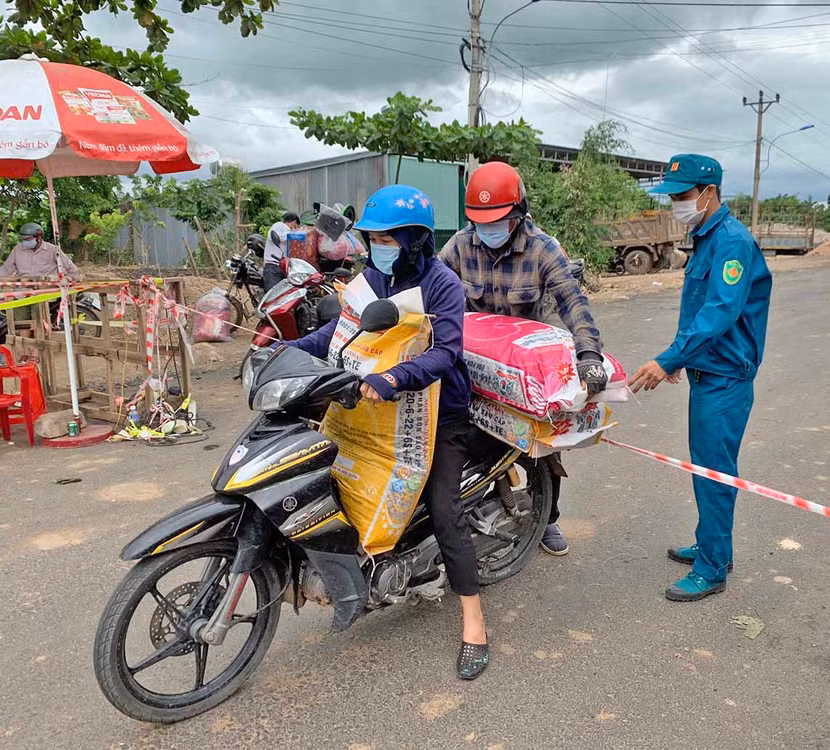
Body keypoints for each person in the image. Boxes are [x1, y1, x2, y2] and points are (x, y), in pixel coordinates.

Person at [285, 185, 490, 680]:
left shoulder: (443, 285)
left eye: (387, 238)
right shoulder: (372, 277)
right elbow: (340, 331)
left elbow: (446, 353)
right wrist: (288, 351)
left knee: (445, 511)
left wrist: (393, 377)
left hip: (438, 413)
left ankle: (474, 625)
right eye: (373, 237)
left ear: (414, 239)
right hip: (376, 407)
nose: (377, 245)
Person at [439, 161, 608, 556]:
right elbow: (431, 286)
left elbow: (573, 303)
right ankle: (477, 504)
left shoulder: (543, 249)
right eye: (481, 222)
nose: (488, 230)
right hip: (475, 364)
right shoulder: (461, 246)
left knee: (544, 444)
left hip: (525, 369)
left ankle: (547, 517)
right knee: (466, 438)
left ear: (518, 213)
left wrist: (588, 355)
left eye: (496, 221)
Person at [628, 154, 772, 602]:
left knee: (714, 472)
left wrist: (669, 360)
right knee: (707, 469)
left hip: (726, 379)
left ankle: (712, 569)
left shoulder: (731, 242)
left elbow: (717, 315)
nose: (676, 203)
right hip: (709, 371)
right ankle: (713, 545)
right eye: (672, 195)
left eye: (682, 195)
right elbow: (697, 310)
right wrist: (684, 359)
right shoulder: (705, 237)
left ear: (709, 193)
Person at [0, 222, 81, 282]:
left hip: (46, 291)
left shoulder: (52, 250)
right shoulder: (17, 250)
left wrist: (71, 279)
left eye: (28, 239)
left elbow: (71, 268)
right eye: (24, 239)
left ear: (39, 238)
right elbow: (6, 268)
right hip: (24, 291)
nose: (25, 242)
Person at [263, 211, 301, 291]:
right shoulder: (279, 225)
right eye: (296, 226)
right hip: (273, 265)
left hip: (283, 267)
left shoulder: (287, 232)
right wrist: (297, 235)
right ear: (294, 223)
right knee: (273, 295)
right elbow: (277, 237)